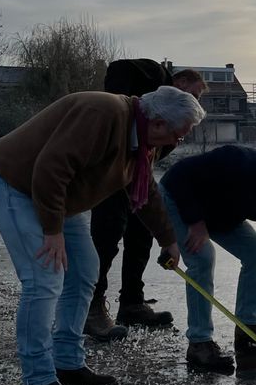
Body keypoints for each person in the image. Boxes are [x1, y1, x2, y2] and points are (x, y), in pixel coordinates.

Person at [0, 86, 206, 385]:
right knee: (44, 279)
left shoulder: (143, 142)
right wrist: (52, 231)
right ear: (158, 122)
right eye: (179, 134)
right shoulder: (102, 114)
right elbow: (51, 167)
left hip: (57, 197)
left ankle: (68, 363)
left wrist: (168, 239)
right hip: (14, 184)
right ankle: (37, 383)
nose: (178, 142)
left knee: (85, 271)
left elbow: (145, 191)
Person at [159, 145, 256, 372]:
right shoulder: (236, 161)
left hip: (222, 213)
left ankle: (247, 329)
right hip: (180, 198)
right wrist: (196, 222)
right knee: (202, 258)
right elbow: (181, 176)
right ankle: (199, 343)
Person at [85, 60, 208, 339]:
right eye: (195, 93)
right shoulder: (155, 75)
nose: (195, 101)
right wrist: (122, 113)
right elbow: (118, 68)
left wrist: (168, 239)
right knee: (107, 236)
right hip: (111, 171)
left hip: (136, 176)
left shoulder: (175, 120)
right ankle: (91, 307)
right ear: (181, 82)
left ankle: (132, 303)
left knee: (141, 234)